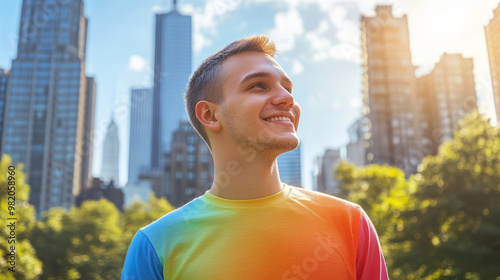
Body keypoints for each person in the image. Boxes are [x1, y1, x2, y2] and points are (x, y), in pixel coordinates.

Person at [121, 35, 389, 280]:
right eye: (258, 86)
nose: (287, 99)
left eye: (287, 88)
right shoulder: (155, 244)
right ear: (210, 115)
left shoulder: (351, 223)